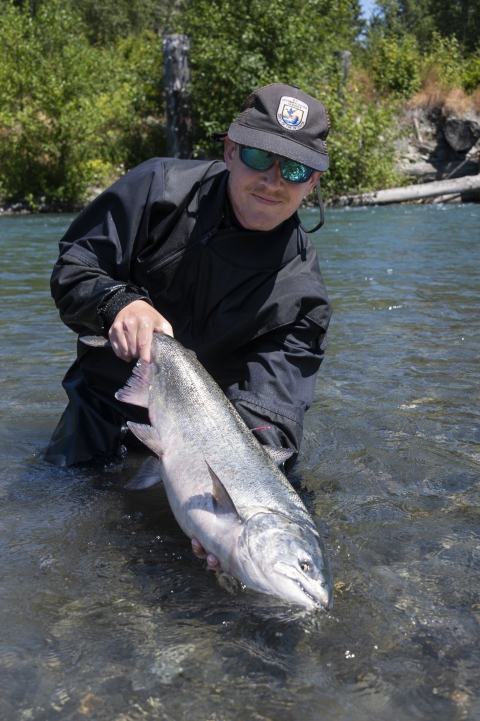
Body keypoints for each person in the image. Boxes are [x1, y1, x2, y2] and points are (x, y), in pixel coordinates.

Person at [45, 83, 332, 490]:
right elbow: (74, 268)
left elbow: (272, 412)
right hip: (104, 411)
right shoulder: (156, 188)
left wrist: (232, 493)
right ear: (230, 151)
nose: (273, 180)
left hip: (210, 439)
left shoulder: (303, 296)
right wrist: (118, 304)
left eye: (295, 169)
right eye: (260, 155)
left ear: (313, 181)